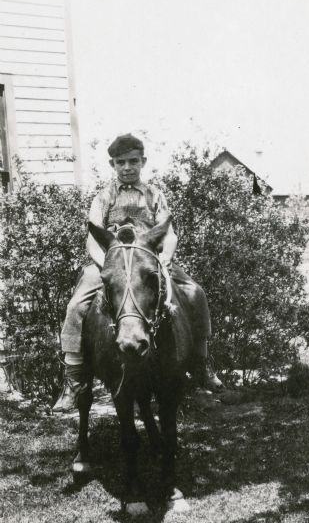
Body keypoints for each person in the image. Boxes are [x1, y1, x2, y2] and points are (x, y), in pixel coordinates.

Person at [53, 134, 222, 412]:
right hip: (112, 264)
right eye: (121, 162)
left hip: (147, 263)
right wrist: (103, 264)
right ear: (113, 164)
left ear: (143, 161)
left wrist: (165, 257)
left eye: (133, 161)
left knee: (196, 293)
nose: (127, 167)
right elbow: (93, 237)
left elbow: (168, 233)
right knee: (76, 305)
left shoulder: (154, 194)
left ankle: (202, 363)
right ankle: (73, 379)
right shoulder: (104, 196)